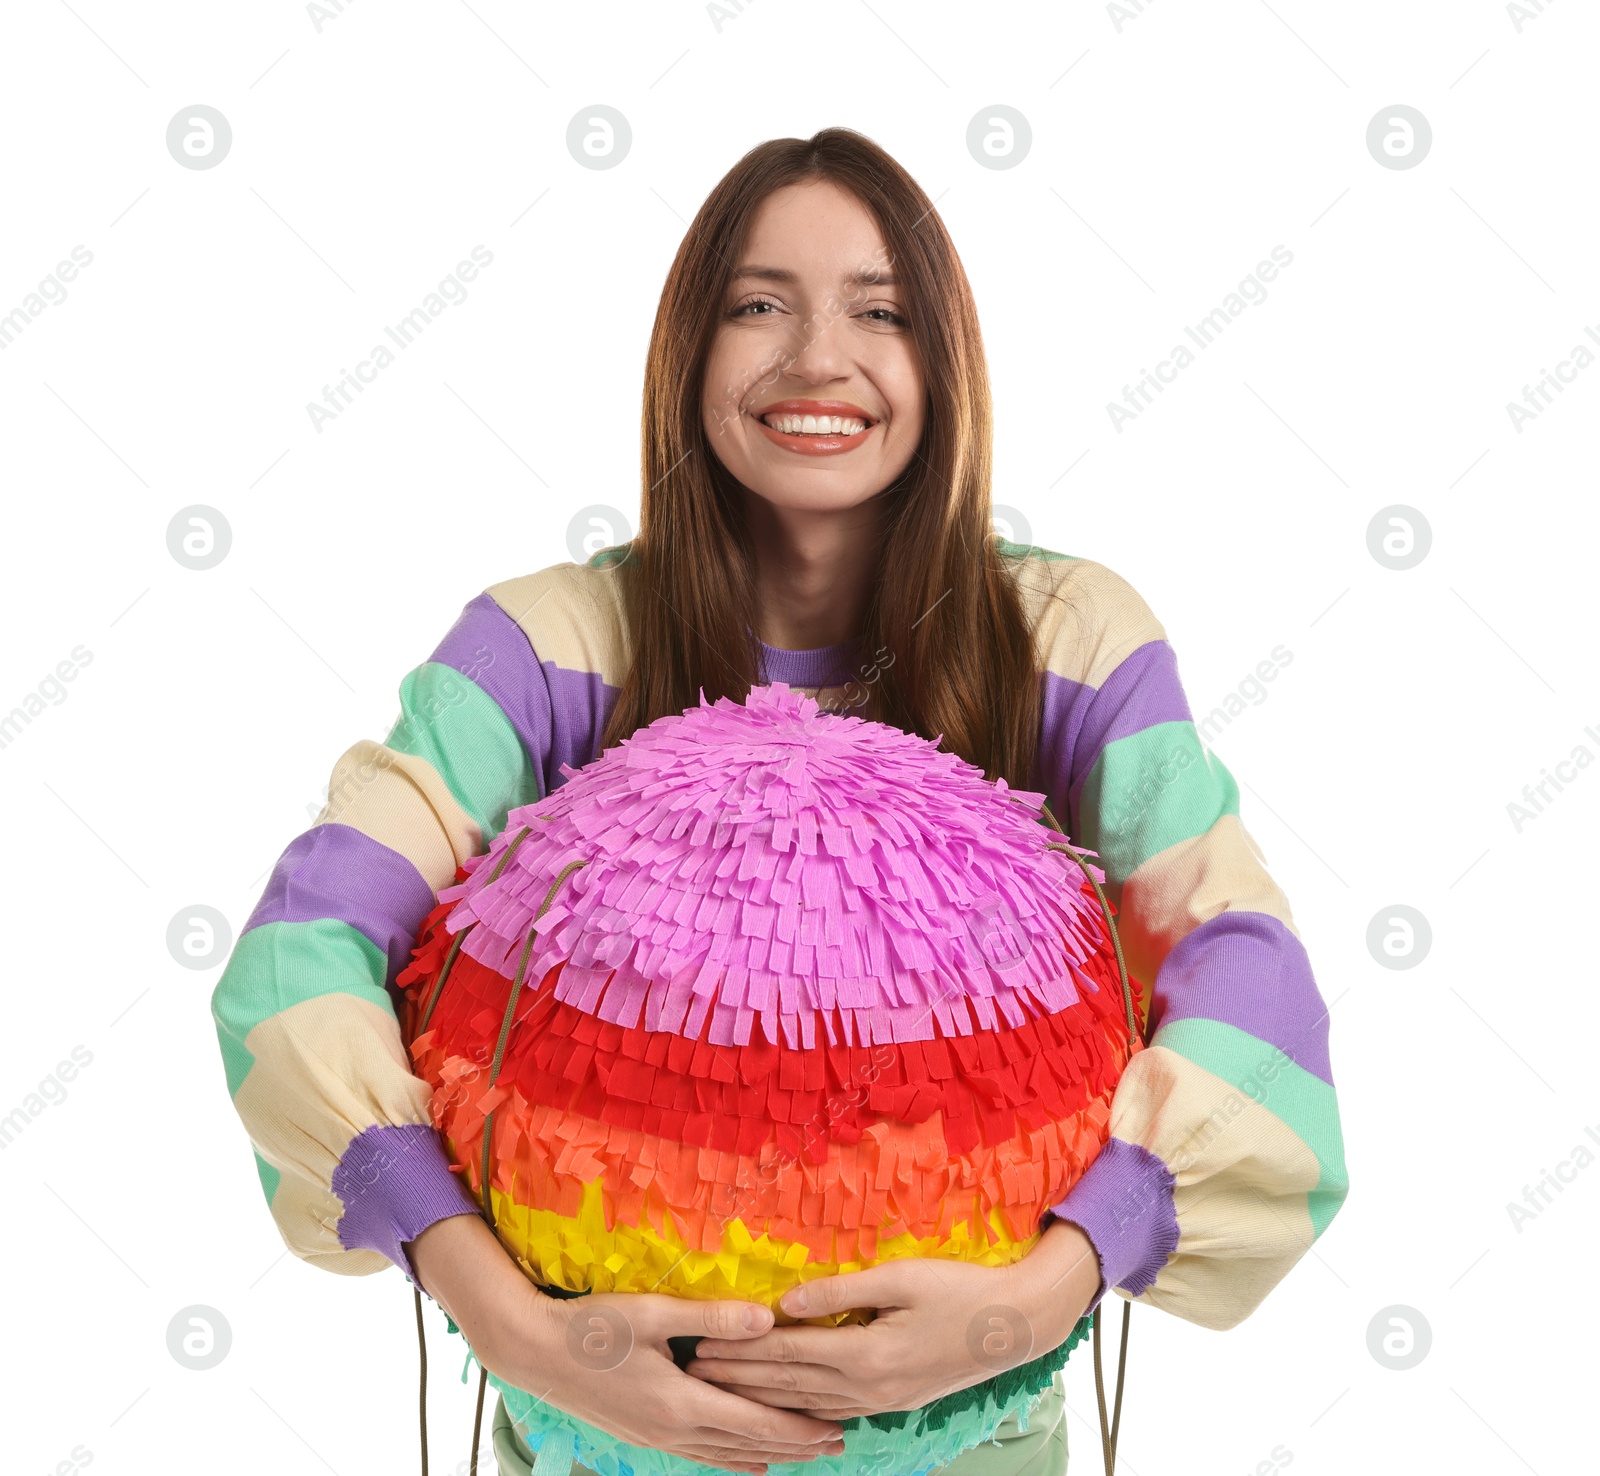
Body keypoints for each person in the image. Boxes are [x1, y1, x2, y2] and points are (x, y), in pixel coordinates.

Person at [211, 127, 1348, 1476]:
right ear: (687, 353)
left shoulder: (1067, 636)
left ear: (947, 364)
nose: (818, 358)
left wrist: (1031, 1298)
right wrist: (509, 1322)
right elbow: (300, 952)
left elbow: (1245, 966)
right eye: (760, 305)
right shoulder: (541, 647)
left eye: (881, 312)